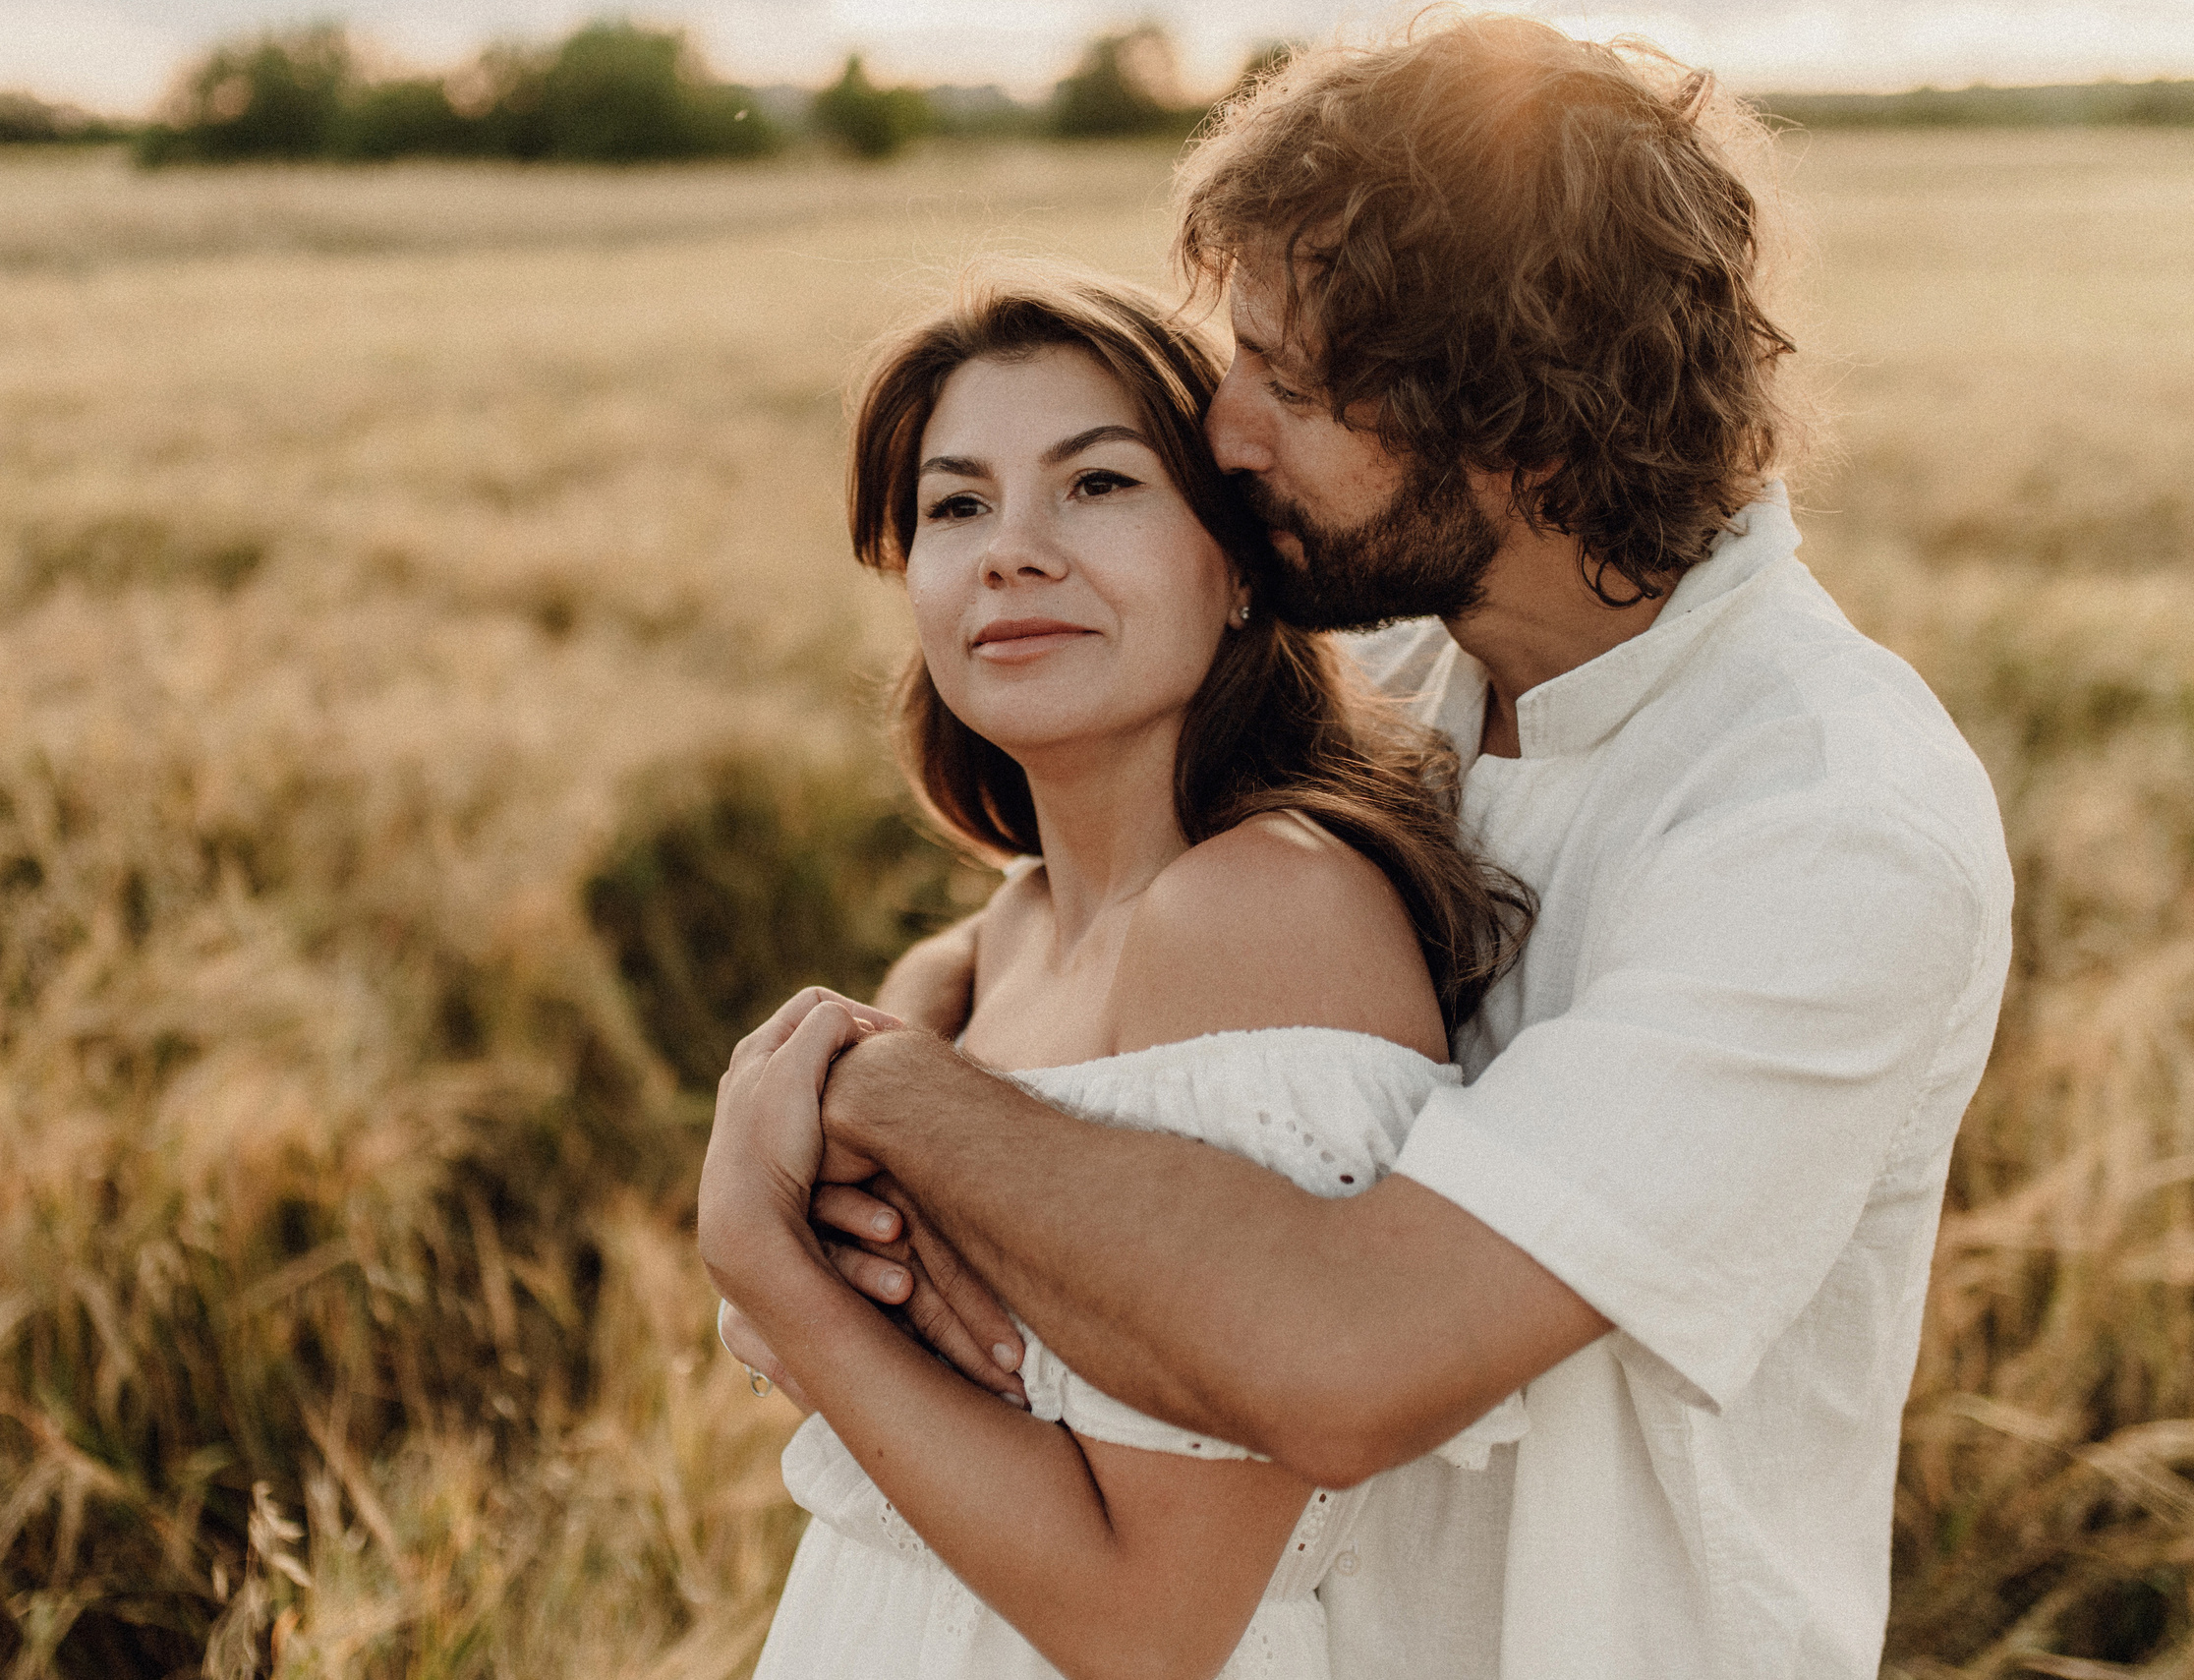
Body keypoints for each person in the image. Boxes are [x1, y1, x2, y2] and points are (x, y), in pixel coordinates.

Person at [720, 16, 2014, 1680]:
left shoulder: (1828, 829)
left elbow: (1345, 1361)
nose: (1229, 431)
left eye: (1296, 381)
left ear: (1519, 420)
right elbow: (1075, 942)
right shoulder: (1405, 663)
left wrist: (868, 1099)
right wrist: (888, 1075)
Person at [697, 272, 1533, 1680]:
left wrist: (767, 1262)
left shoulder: (1264, 911)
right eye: (956, 506)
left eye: (1096, 485)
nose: (1011, 552)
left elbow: (1158, 1622)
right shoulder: (997, 943)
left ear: (1243, 563)